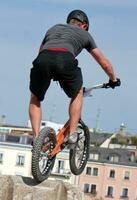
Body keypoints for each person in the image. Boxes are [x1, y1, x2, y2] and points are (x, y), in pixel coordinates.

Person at [29, 9, 121, 144]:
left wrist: (46, 70)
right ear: (84, 25)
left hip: (42, 60)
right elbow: (104, 64)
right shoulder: (84, 34)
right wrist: (113, 79)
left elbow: (41, 51)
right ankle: (72, 134)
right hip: (65, 59)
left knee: (35, 97)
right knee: (77, 93)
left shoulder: (53, 28)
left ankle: (36, 137)